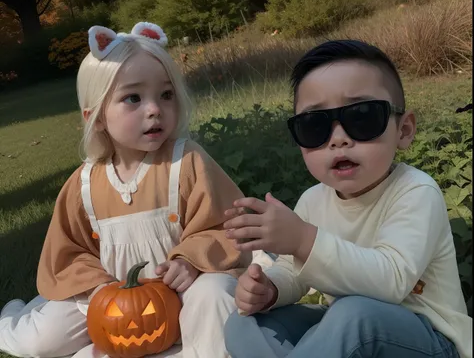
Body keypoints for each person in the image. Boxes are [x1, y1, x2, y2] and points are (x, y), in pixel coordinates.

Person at [0, 22, 250, 358]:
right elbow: (68, 252)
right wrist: (100, 287)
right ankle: (12, 319)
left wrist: (190, 261)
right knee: (42, 341)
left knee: (216, 296)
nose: (154, 109)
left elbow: (226, 224)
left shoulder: (185, 162)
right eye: (133, 98)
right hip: (112, 299)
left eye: (166, 94)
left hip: (182, 289)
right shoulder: (85, 184)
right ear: (97, 116)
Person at [223, 39, 471, 358]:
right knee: (244, 324)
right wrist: (269, 289)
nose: (338, 139)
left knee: (354, 315)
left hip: (430, 337)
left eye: (362, 117)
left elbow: (392, 281)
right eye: (315, 126)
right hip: (347, 331)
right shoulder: (314, 200)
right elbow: (293, 271)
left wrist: (303, 239)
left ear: (404, 130)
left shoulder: (415, 191)